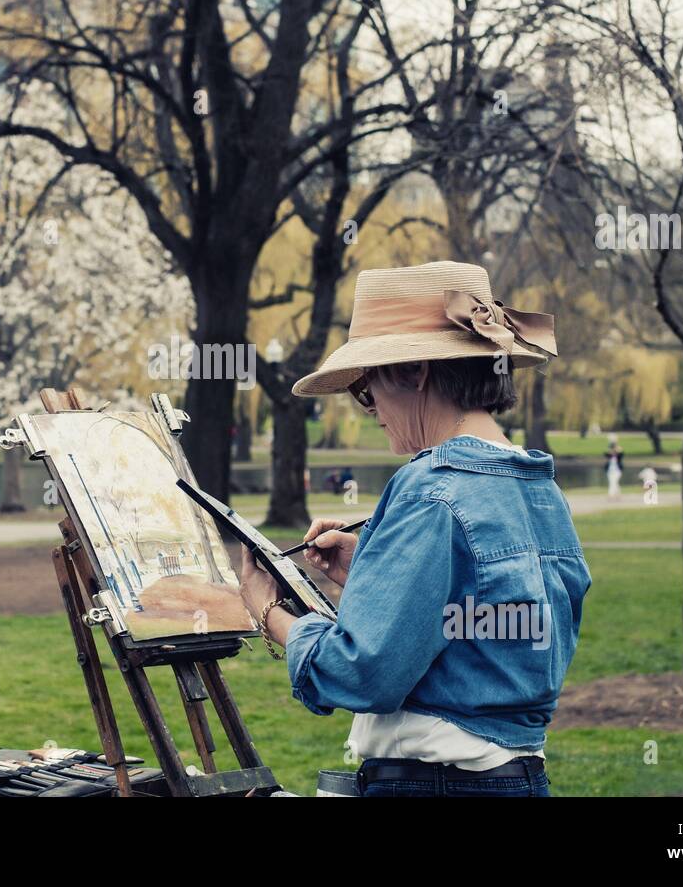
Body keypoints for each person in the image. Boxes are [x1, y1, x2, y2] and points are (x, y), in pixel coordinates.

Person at [240, 262, 589, 798]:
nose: (370, 407)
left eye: (366, 387)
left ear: (413, 373)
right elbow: (491, 625)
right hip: (517, 781)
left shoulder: (432, 489)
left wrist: (270, 613)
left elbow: (362, 674)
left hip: (437, 786)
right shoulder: (539, 485)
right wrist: (376, 571)